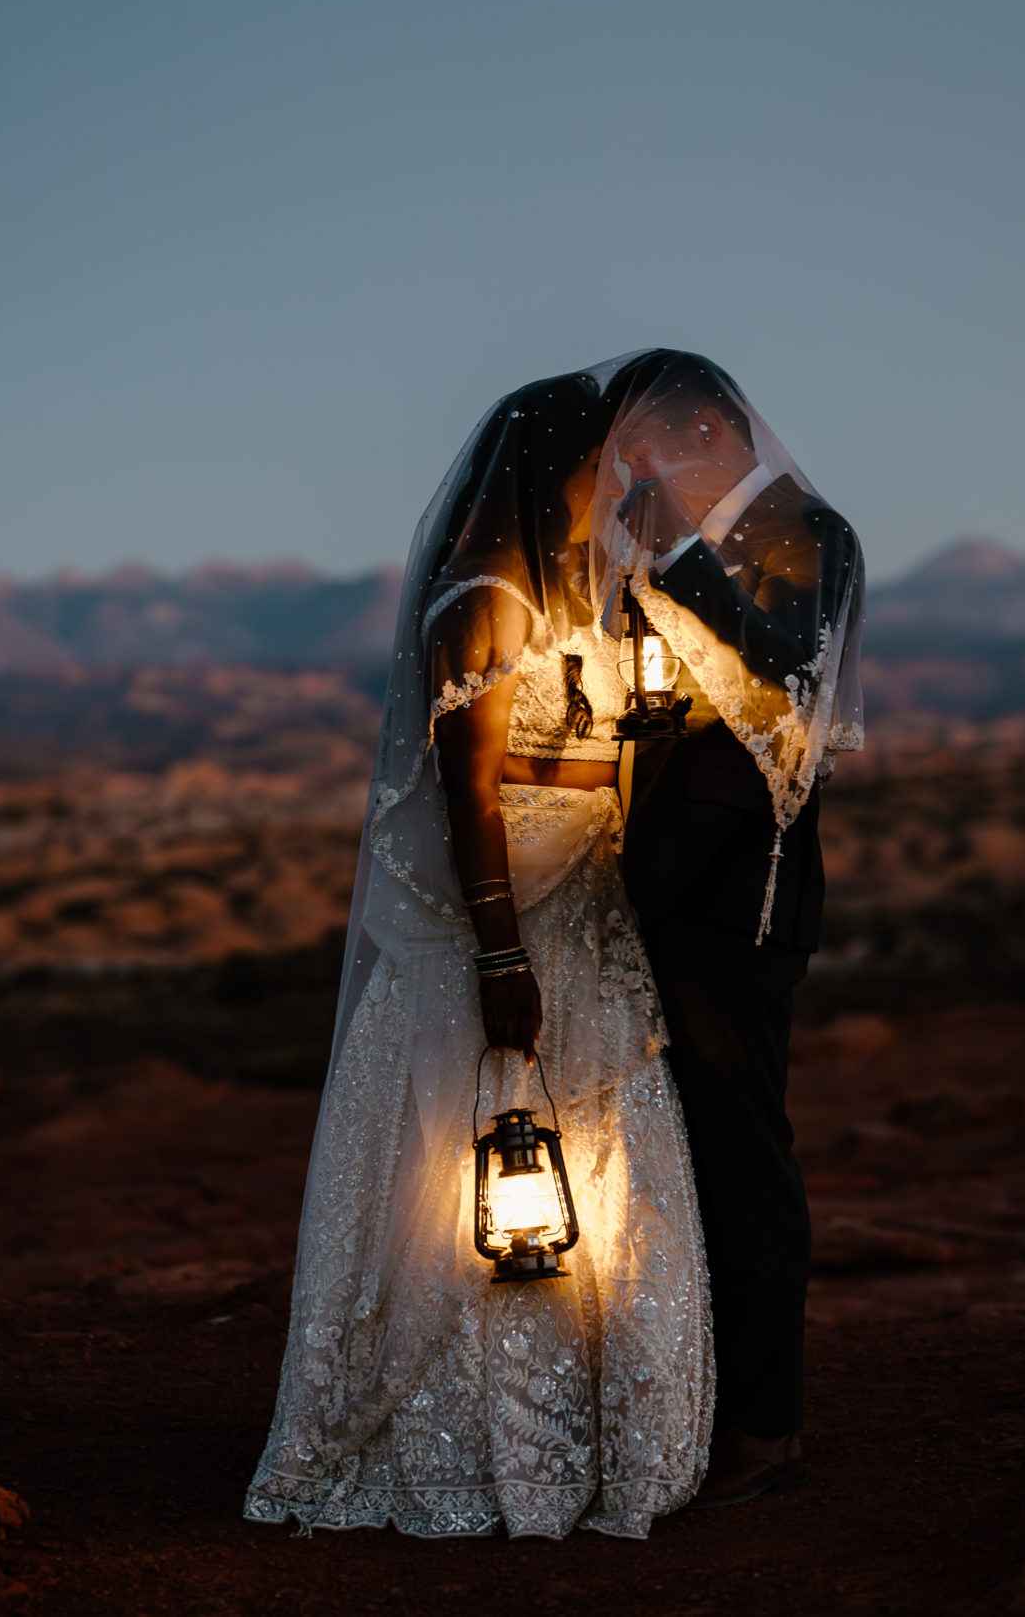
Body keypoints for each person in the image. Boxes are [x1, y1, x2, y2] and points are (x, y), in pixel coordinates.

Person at [243, 360, 714, 1539]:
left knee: (609, 1179)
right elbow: (469, 802)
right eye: (613, 458)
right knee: (488, 1177)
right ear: (563, 462)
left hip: (594, 919)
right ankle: (476, 1445)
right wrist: (501, 960)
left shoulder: (593, 601)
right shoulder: (485, 601)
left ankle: (611, 1433)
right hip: (509, 929)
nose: (631, 476)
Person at [599, 351, 866, 1509]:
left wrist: (674, 554)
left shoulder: (810, 531)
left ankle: (767, 1429)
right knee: (685, 1163)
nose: (641, 470)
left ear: (710, 423)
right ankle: (694, 1407)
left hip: (738, 898)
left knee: (741, 1158)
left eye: (652, 445)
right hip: (669, 880)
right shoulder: (711, 539)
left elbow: (785, 677)